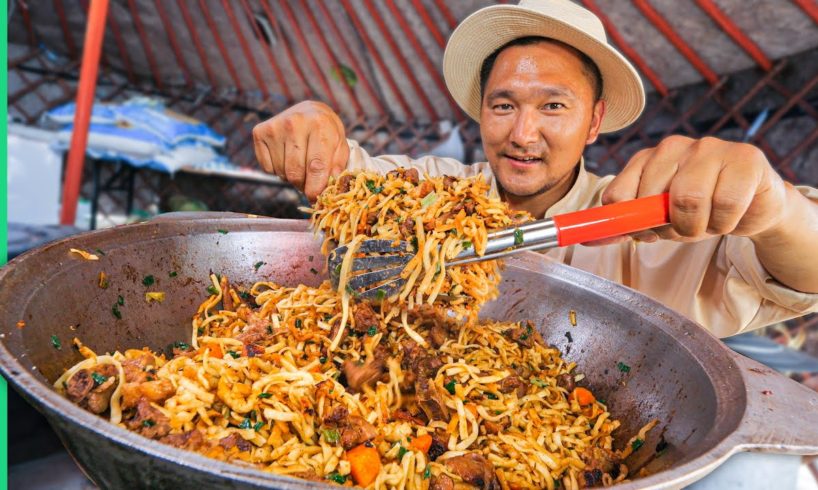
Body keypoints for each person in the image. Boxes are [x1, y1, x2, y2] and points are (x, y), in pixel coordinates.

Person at [252, 0, 818, 337]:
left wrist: (775, 207)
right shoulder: (422, 191)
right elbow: (342, 172)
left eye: (553, 106)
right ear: (481, 112)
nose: (522, 135)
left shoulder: (649, 223)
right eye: (504, 106)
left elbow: (801, 271)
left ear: (594, 122)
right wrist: (311, 120)